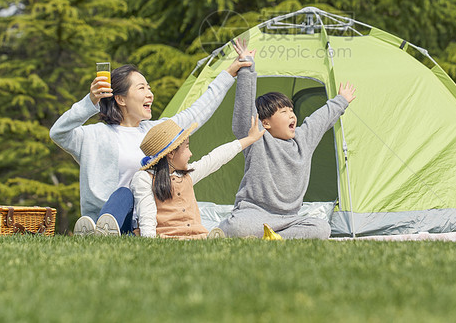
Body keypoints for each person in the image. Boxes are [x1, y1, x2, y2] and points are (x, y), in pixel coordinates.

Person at [49, 41, 252, 235]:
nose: (150, 94)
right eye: (141, 88)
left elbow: (197, 113)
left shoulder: (155, 134)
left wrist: (229, 73)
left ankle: (107, 233)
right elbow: (58, 132)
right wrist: (89, 101)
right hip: (109, 217)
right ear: (120, 99)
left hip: (149, 221)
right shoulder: (94, 135)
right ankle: (102, 230)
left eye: (149, 87)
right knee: (123, 194)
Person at [218, 58, 356, 239]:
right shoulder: (257, 138)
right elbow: (244, 112)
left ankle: (274, 237)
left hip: (288, 219)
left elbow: (320, 120)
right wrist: (246, 71)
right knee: (239, 228)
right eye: (284, 112)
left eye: (291, 110)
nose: (291, 115)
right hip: (253, 214)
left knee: (322, 228)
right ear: (265, 123)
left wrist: (341, 101)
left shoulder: (303, 139)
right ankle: (253, 233)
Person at [131, 115, 264, 238]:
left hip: (196, 237)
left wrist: (250, 139)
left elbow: (217, 157)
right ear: (171, 153)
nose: (191, 153)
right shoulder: (144, 178)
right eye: (187, 147)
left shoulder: (188, 174)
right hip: (167, 237)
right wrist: (149, 239)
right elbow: (146, 214)